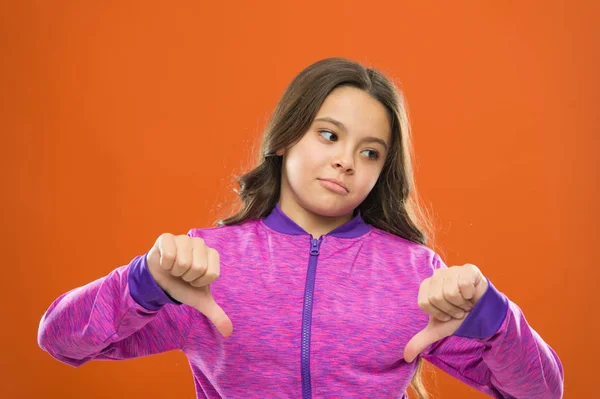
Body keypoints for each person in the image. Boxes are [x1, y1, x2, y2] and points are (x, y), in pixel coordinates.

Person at [37, 57, 564, 399]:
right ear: (285, 137)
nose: (345, 162)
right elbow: (62, 341)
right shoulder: (202, 265)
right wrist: (141, 282)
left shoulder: (414, 275)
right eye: (329, 135)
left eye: (370, 151)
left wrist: (493, 316)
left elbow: (542, 392)